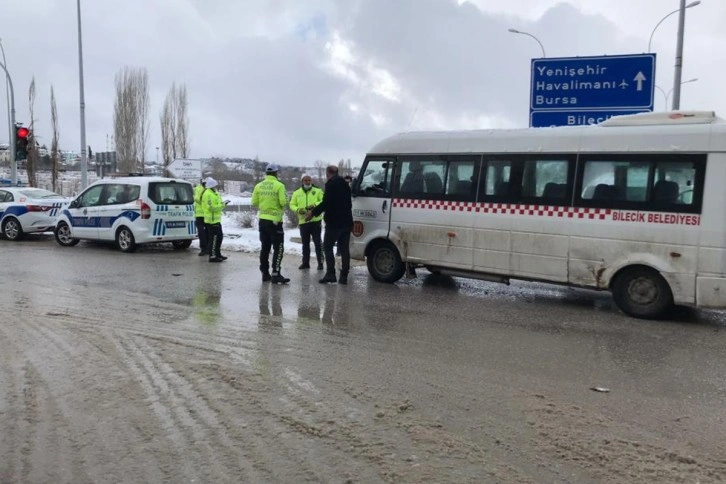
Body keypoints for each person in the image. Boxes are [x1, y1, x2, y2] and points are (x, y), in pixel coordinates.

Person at [306, 165, 353, 285]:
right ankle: (344, 276)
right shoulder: (345, 183)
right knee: (344, 249)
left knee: (327, 246)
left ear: (328, 174)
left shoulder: (331, 184)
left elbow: (326, 203)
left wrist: (313, 213)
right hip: (347, 222)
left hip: (334, 223)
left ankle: (331, 274)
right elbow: (349, 203)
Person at [252, 164, 290, 284]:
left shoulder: (258, 185)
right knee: (278, 248)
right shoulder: (279, 185)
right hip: (275, 221)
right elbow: (284, 202)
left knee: (265, 247)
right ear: (276, 173)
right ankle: (276, 273)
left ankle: (265, 273)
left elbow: (254, 202)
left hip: (262, 220)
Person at [289, 174, 324, 271]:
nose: (308, 182)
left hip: (315, 221)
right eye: (305, 180)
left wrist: (314, 205)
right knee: (305, 243)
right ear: (302, 181)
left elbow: (322, 201)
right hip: (303, 221)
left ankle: (320, 263)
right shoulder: (297, 193)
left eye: (309, 180)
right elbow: (292, 204)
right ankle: (305, 263)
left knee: (318, 243)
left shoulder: (317, 191)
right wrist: (298, 210)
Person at [202, 177, 226, 263]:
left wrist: (222, 204)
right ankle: (212, 255)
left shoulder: (215, 193)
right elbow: (211, 207)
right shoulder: (207, 194)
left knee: (219, 237)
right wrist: (222, 206)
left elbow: (219, 202)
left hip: (216, 220)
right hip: (211, 220)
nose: (216, 187)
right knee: (214, 238)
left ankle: (217, 253)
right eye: (215, 185)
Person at [193, 177, 208, 256]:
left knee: (206, 232)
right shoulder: (199, 189)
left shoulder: (201, 188)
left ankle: (206, 248)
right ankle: (204, 248)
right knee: (202, 232)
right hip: (201, 214)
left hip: (205, 214)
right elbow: (196, 199)